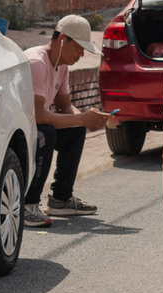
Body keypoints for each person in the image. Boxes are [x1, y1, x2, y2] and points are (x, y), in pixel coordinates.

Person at [25, 14, 111, 225]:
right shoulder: (36, 62)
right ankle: (27, 205)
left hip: (37, 124)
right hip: (19, 128)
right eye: (80, 47)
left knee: (74, 130)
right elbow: (37, 116)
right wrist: (83, 118)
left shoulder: (61, 65)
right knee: (46, 133)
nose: (82, 54)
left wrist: (88, 118)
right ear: (62, 39)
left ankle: (61, 200)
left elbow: (65, 108)